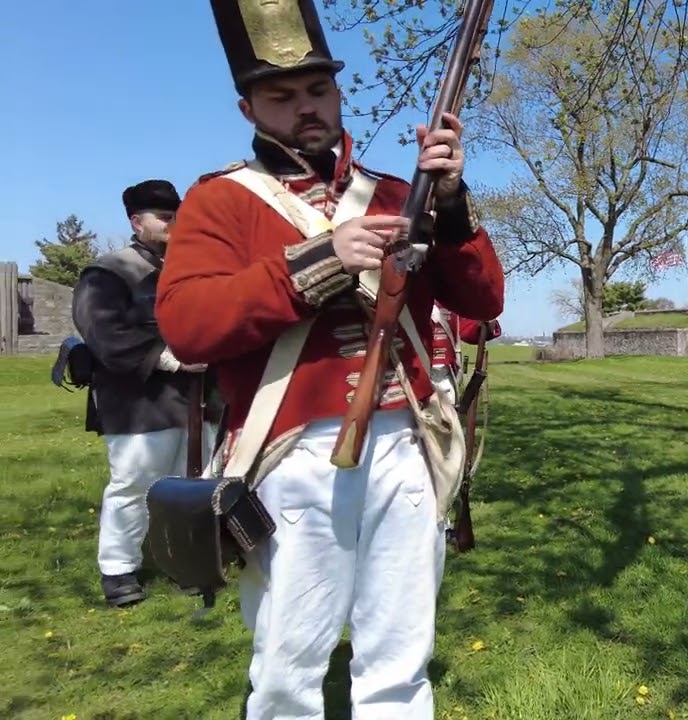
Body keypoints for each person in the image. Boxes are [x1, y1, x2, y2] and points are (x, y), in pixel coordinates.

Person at [153, 1, 504, 717]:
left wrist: (453, 200)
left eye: (317, 91)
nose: (305, 109)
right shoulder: (219, 202)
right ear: (247, 106)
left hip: (405, 444)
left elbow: (483, 298)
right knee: (286, 669)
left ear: (338, 93)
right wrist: (316, 263)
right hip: (293, 454)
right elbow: (188, 325)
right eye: (282, 98)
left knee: (400, 661)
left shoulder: (401, 194)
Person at [71, 179, 221, 608]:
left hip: (197, 395)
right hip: (138, 400)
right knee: (134, 485)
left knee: (193, 485)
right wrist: (169, 359)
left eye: (179, 216)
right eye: (165, 217)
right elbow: (103, 333)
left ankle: (185, 563)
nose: (175, 224)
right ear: (137, 222)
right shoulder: (108, 272)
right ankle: (118, 570)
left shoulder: (193, 267)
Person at [427, 303, 503, 406]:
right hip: (407, 376)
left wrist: (487, 322)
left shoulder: (449, 300)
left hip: (444, 377)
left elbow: (469, 329)